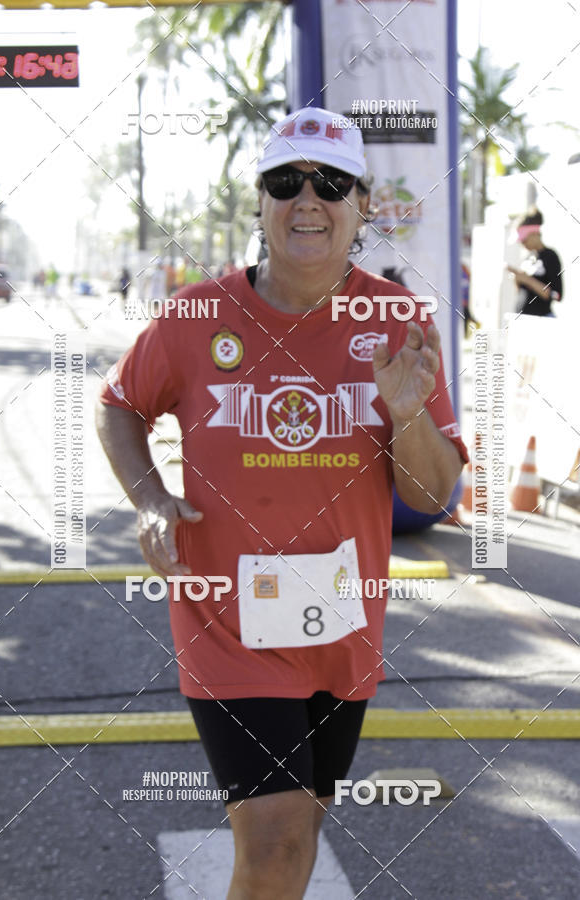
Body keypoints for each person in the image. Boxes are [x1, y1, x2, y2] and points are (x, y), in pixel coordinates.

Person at [96, 106, 468, 899]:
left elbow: (434, 494)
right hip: (226, 622)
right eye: (286, 180)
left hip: (343, 622)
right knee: (274, 840)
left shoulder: (399, 320)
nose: (309, 198)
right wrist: (151, 498)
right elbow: (121, 405)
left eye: (332, 183)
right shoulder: (197, 315)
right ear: (260, 201)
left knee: (297, 838)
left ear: (363, 205)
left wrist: (405, 416)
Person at [507, 208, 563, 316]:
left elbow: (556, 294)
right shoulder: (527, 257)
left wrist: (527, 279)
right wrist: (517, 279)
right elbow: (521, 292)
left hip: (541, 320)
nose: (522, 244)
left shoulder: (550, 256)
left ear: (534, 233)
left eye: (524, 240)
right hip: (521, 317)